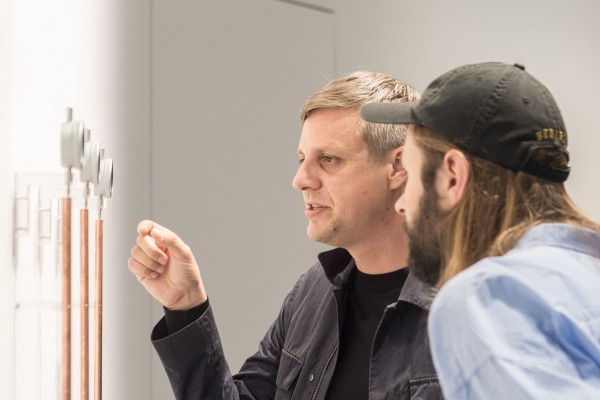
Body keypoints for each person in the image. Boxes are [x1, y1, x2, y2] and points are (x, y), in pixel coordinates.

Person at [128, 71, 443, 399]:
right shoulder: (314, 292)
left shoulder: (460, 306)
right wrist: (186, 306)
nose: (300, 179)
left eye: (328, 159)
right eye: (302, 159)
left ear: (399, 166)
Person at [361, 61, 600, 399]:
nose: (401, 204)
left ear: (452, 177)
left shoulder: (484, 298)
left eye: (410, 176)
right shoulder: (587, 270)